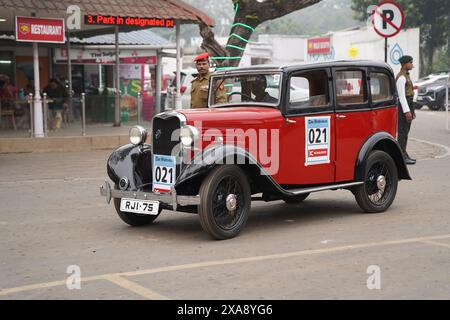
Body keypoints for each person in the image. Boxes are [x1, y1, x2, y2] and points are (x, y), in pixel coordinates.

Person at [396, 55, 416, 165]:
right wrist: (407, 111)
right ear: (404, 64)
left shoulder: (406, 76)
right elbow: (401, 96)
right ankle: (401, 156)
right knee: (402, 132)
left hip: (409, 104)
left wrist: (412, 111)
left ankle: (404, 153)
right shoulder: (401, 77)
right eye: (410, 62)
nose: (412, 65)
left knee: (406, 132)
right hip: (404, 105)